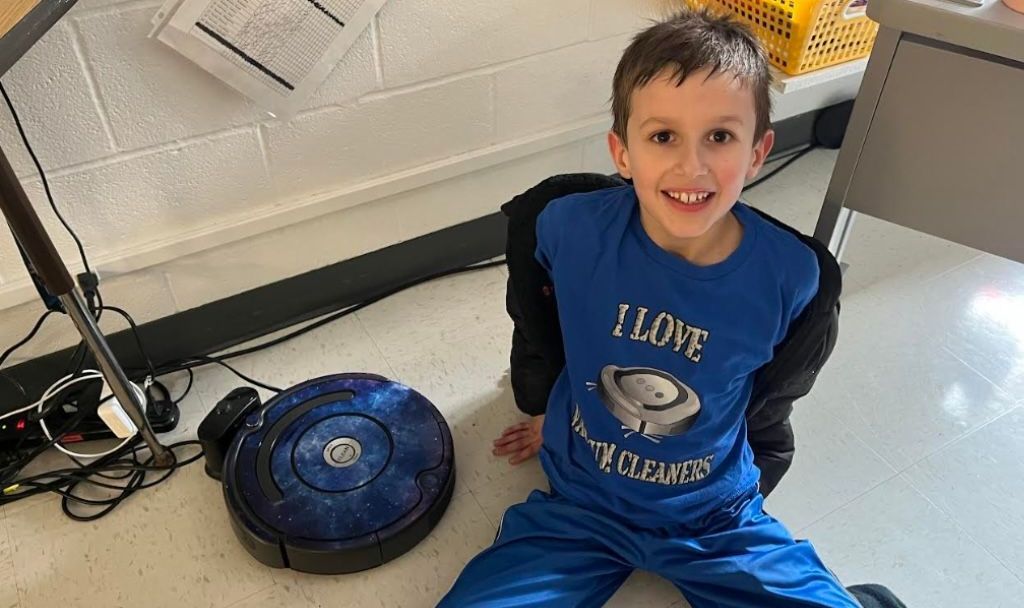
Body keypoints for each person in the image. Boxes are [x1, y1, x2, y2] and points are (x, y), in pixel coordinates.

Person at [439, 9, 904, 608]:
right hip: (581, 504)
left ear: (758, 152)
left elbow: (764, 396)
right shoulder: (563, 229)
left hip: (715, 517)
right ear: (622, 152)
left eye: (720, 136)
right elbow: (552, 328)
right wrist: (555, 414)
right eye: (663, 137)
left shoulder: (792, 277)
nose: (693, 166)